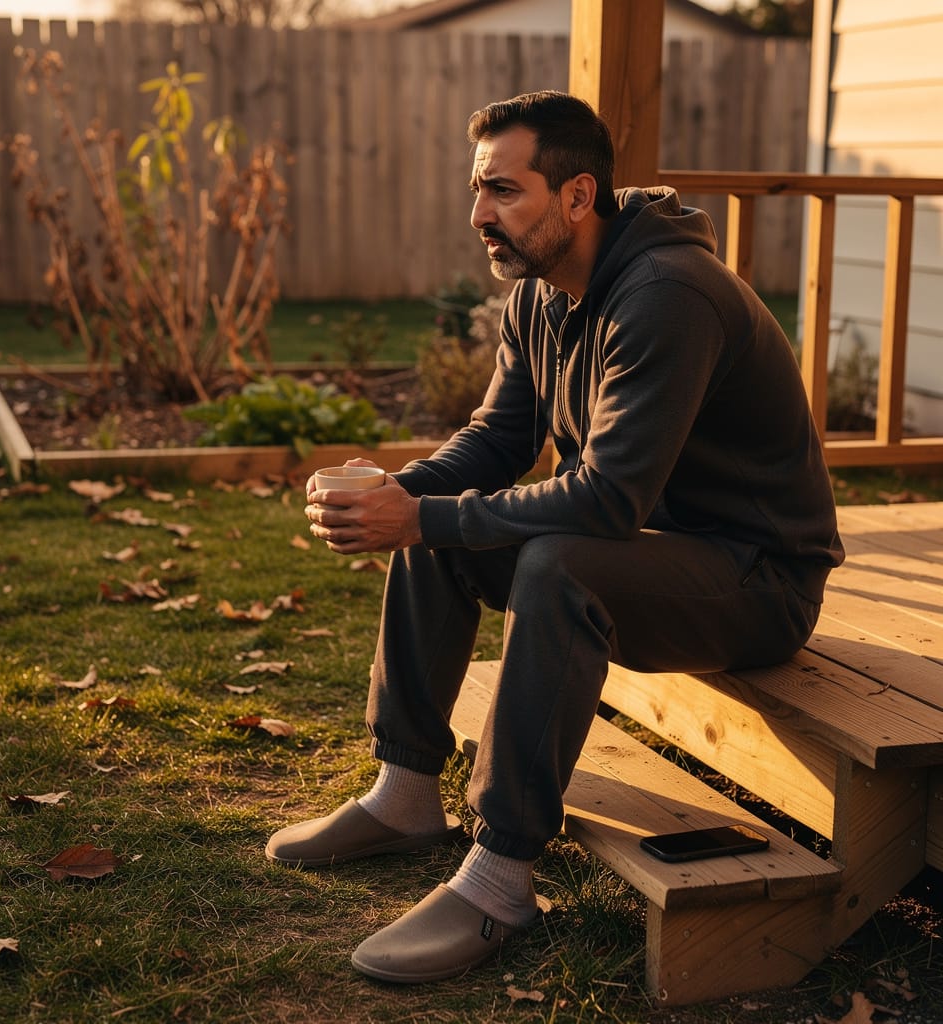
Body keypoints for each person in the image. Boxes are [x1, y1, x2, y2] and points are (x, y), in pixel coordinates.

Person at [265, 90, 844, 984]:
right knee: (444, 522)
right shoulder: (542, 290)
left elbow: (608, 500)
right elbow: (499, 437)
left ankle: (500, 878)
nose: (478, 215)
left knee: (556, 562)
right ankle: (406, 794)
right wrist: (400, 495)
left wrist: (421, 514)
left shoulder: (668, 295)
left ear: (578, 197)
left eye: (503, 191)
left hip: (755, 578)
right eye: (476, 190)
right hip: (655, 551)